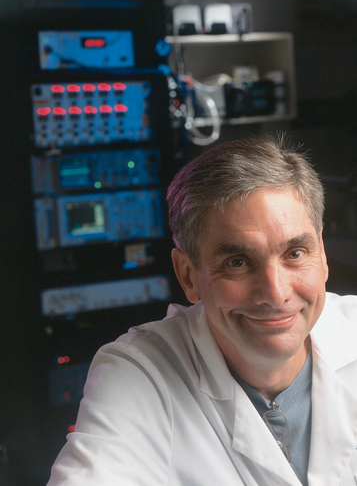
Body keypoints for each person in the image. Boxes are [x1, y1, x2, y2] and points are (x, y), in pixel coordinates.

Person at [47, 134, 357, 486]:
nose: (275, 293)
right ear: (188, 276)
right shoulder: (139, 372)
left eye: (295, 253)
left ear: (322, 252)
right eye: (238, 262)